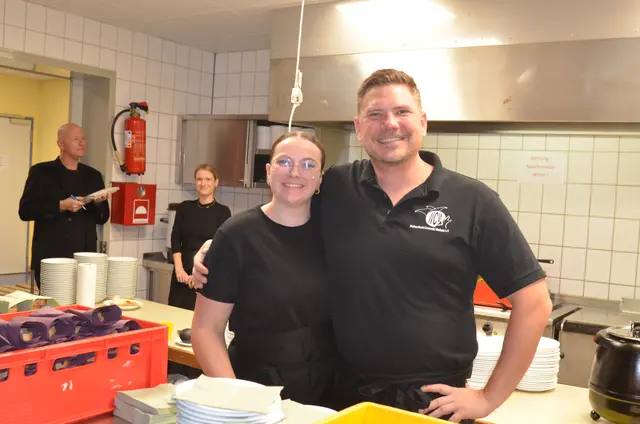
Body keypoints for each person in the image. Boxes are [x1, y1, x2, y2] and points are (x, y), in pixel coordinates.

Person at [191, 69, 552, 423]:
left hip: (432, 402)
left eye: (402, 111)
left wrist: (488, 398)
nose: (389, 124)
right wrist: (219, 247)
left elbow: (534, 303)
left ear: (423, 122)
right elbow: (284, 218)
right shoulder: (337, 187)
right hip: (343, 394)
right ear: (359, 126)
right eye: (375, 114)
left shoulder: (472, 201)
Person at [190, 131, 336, 407]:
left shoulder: (336, 232)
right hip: (256, 386)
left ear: (320, 178)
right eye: (284, 162)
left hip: (328, 389)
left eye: (308, 165)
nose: (295, 172)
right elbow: (205, 330)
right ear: (269, 171)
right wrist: (236, 401)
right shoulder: (237, 235)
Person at [19, 123, 110, 290]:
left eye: (83, 138)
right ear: (61, 144)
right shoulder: (42, 172)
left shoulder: (93, 175)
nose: (82, 143)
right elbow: (25, 210)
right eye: (76, 139)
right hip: (52, 257)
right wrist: (60, 206)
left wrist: (99, 203)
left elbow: (102, 218)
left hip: (85, 259)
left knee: (85, 302)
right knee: (55, 303)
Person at [168, 164, 231, 311]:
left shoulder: (223, 212)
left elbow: (221, 247)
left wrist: (197, 274)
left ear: (216, 182)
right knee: (175, 315)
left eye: (208, 179)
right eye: (199, 179)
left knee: (199, 317)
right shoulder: (184, 208)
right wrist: (179, 270)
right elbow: (175, 238)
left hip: (206, 275)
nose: (203, 183)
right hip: (181, 275)